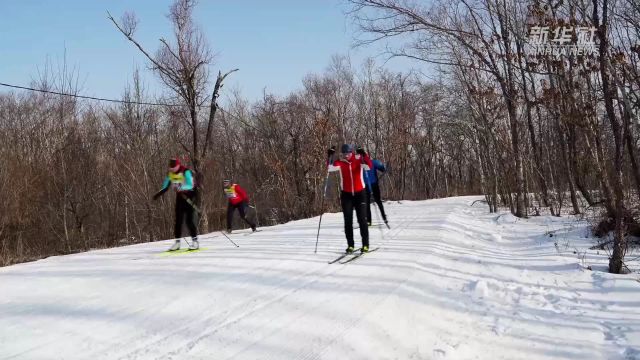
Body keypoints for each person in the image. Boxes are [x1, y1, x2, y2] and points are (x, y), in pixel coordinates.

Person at [327, 144, 373, 254]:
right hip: (346, 195)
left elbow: (369, 166)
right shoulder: (340, 162)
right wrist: (330, 156)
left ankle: (365, 245)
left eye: (348, 153)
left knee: (362, 220)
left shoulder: (358, 159)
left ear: (351, 152)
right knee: (348, 221)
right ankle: (350, 245)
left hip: (360, 194)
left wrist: (364, 154)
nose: (346, 156)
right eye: (344, 154)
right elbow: (329, 168)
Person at [153, 158, 199, 251]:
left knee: (189, 220)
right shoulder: (170, 174)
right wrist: (158, 194)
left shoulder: (186, 171)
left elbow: (190, 185)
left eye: (174, 167)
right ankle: (177, 243)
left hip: (190, 196)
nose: (172, 169)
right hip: (180, 198)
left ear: (178, 165)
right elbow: (165, 186)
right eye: (171, 167)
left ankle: (195, 242)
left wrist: (181, 187)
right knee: (178, 220)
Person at [359, 147, 388, 226]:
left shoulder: (373, 162)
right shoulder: (360, 165)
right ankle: (368, 221)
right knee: (367, 203)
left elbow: (382, 168)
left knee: (378, 201)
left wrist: (384, 168)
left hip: (374, 185)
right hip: (365, 186)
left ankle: (384, 217)